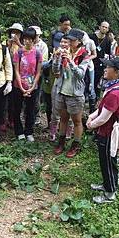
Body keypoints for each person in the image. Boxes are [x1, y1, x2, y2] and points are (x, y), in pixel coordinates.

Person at [87, 57, 119, 204]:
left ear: (116, 72)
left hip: (109, 133)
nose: (105, 69)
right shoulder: (113, 87)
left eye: (108, 67)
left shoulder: (115, 94)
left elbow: (104, 118)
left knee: (109, 163)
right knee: (105, 161)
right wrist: (92, 116)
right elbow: (101, 110)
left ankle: (110, 193)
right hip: (105, 131)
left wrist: (91, 124)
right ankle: (106, 184)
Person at [53, 29, 91, 158]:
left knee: (77, 121)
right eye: (68, 39)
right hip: (62, 90)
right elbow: (56, 71)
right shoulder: (65, 51)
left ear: (79, 41)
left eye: (72, 40)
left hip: (76, 93)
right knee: (63, 118)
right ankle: (61, 142)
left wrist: (70, 61)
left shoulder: (84, 55)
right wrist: (57, 58)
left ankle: (76, 144)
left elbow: (80, 75)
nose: (69, 42)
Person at [12, 27, 42, 142]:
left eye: (30, 39)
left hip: (32, 86)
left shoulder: (37, 53)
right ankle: (19, 131)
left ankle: (29, 131)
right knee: (17, 109)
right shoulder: (19, 52)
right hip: (18, 85)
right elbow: (16, 71)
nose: (27, 41)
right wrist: (20, 86)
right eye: (25, 39)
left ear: (34, 40)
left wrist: (33, 86)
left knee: (30, 109)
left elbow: (38, 72)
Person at [90, 21, 112, 100]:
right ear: (99, 27)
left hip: (101, 65)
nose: (104, 28)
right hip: (91, 62)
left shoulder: (108, 40)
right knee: (89, 81)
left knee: (98, 83)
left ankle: (95, 100)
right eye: (103, 26)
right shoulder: (92, 37)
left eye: (106, 27)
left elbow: (108, 53)